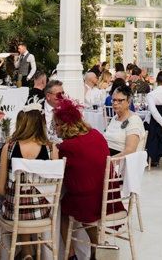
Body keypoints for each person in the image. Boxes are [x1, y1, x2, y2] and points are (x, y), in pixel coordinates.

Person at [54, 97, 108, 256]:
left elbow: (57, 170)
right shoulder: (96, 134)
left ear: (64, 126)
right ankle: (94, 249)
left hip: (88, 201)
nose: (55, 129)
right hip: (106, 194)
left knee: (60, 210)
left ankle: (71, 254)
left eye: (56, 125)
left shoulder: (67, 147)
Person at [0, 106, 58, 220]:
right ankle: (28, 236)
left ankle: (24, 235)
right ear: (41, 124)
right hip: (41, 212)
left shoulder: (9, 147)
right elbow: (53, 187)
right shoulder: (51, 149)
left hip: (14, 213)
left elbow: (0, 189)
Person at [103, 84, 144, 156]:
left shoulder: (134, 121)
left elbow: (130, 151)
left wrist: (109, 161)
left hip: (119, 162)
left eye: (120, 100)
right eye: (114, 100)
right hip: (106, 155)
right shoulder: (114, 118)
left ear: (128, 102)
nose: (115, 103)